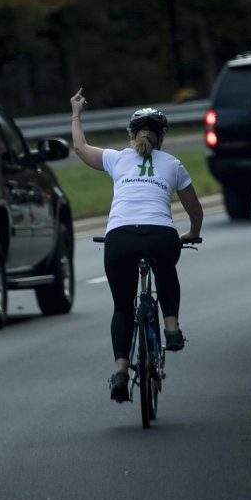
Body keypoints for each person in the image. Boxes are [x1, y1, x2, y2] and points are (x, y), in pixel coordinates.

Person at [69, 88, 203, 403]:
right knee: (166, 269)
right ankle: (171, 328)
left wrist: (76, 113)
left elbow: (79, 147)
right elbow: (194, 209)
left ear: (132, 135)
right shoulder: (173, 163)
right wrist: (193, 232)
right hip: (161, 235)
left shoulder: (117, 158)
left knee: (122, 306)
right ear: (162, 138)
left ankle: (120, 371)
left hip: (120, 238)